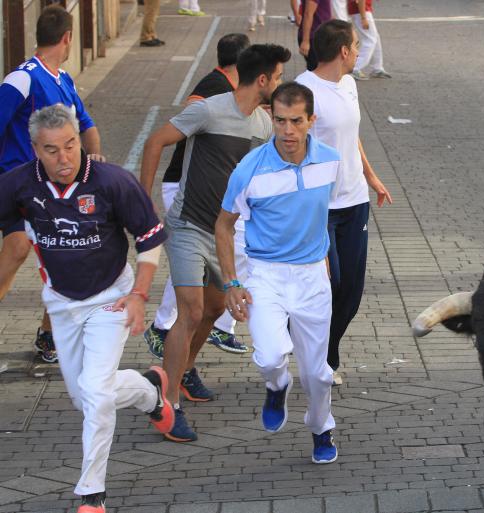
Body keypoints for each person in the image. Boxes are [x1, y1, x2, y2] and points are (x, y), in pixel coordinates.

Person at [0, 104, 174, 513]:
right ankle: (150, 392)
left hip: (112, 298)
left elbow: (149, 239)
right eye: (52, 150)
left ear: (79, 139)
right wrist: (15, 233)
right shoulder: (20, 185)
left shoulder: (113, 181)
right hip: (61, 304)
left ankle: (91, 492)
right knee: (87, 397)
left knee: (96, 394)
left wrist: (138, 295)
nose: (64, 158)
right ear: (35, 150)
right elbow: (8, 217)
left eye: (71, 145)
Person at [140, 44, 290, 442]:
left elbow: (257, 184)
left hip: (224, 233)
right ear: (262, 80)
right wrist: (142, 204)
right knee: (189, 311)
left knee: (215, 307)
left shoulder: (261, 125)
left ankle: (183, 370)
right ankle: (168, 404)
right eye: (276, 77)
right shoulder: (208, 109)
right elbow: (155, 141)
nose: (278, 83)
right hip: (188, 226)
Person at [216, 81, 340, 464]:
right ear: (271, 116)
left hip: (312, 279)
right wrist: (232, 282)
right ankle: (276, 386)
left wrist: (322, 262)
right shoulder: (248, 170)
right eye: (280, 120)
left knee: (318, 375)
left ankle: (321, 428)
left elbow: (325, 215)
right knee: (270, 356)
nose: (287, 131)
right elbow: (223, 225)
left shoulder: (331, 161)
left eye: (296, 121)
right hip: (265, 276)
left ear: (311, 121)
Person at [0, 5, 104, 365]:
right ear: (67, 38)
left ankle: (49, 335)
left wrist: (95, 161)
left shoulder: (63, 79)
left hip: (55, 187)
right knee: (15, 249)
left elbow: (86, 123)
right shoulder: (22, 79)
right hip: (17, 184)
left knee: (66, 254)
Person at [143, 33, 252, 360]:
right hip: (185, 185)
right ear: (242, 66)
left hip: (203, 186)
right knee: (206, 254)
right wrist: (143, 198)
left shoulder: (225, 88)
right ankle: (166, 326)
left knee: (208, 259)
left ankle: (212, 323)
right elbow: (189, 110)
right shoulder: (216, 89)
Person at [296, 20, 392, 386]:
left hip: (356, 201)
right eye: (355, 44)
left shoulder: (349, 84)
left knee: (351, 290)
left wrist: (370, 175)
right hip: (320, 207)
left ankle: (327, 353)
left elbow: (351, 136)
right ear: (343, 51)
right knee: (329, 284)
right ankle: (315, 356)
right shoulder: (304, 91)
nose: (358, 49)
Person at [348, 0, 392, 80]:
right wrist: (363, 17)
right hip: (361, 11)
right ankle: (355, 68)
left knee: (375, 38)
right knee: (370, 40)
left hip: (360, 10)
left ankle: (377, 67)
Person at [298, 0, 333, 71]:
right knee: (316, 70)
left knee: (319, 70)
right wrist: (305, 41)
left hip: (320, 35)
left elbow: (324, 9)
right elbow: (308, 14)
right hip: (313, 37)